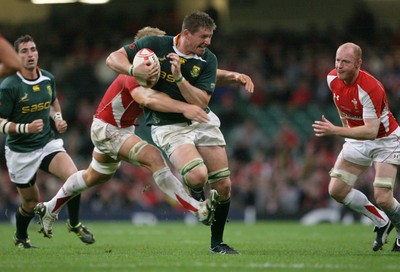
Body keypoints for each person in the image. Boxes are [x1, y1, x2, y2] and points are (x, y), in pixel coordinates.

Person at [34, 27, 219, 240]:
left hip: (117, 128)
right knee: (154, 158)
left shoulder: (158, 71)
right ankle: (198, 209)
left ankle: (49, 208)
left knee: (91, 177)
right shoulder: (138, 71)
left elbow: (200, 78)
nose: (168, 50)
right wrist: (184, 108)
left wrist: (232, 76)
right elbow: (146, 99)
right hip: (109, 130)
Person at [106, 12, 254, 254]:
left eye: (210, 37)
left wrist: (179, 79)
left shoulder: (208, 59)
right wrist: (134, 71)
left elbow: (200, 101)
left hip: (200, 118)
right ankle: (197, 197)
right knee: (198, 177)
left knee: (224, 184)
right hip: (169, 126)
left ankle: (217, 243)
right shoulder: (155, 45)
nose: (208, 42)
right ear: (186, 33)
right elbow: (113, 59)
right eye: (203, 37)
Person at [0, 34, 95, 249]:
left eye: (32, 49)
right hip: (20, 151)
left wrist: (58, 119)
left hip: (46, 143)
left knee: (75, 179)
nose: (30, 54)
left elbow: (52, 102)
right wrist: (25, 127)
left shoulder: (47, 78)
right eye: (24, 51)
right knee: (30, 203)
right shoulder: (9, 86)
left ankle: (74, 223)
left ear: (38, 52)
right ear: (16, 56)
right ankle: (21, 236)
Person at [312, 42, 400, 252]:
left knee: (383, 197)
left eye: (346, 62)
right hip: (357, 139)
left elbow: (371, 131)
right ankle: (381, 221)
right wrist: (346, 129)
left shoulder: (370, 88)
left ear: (359, 63)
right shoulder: (332, 78)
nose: (339, 66)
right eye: (337, 60)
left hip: (385, 141)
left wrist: (336, 131)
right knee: (336, 190)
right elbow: (341, 104)